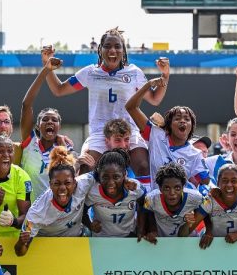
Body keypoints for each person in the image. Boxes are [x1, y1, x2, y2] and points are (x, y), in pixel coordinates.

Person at [42, 28, 171, 187]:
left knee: (144, 165)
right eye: (107, 46)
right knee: (86, 167)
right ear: (100, 49)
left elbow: (154, 99)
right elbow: (58, 90)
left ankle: (144, 208)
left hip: (129, 131)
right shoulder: (90, 72)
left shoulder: (134, 73)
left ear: (123, 50)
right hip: (100, 133)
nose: (112, 50)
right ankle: (83, 211)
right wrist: (47, 66)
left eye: (117, 46)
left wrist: (165, 75)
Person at [125, 77, 209, 190]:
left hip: (178, 205)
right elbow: (131, 107)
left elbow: (206, 183)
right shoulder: (155, 134)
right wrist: (147, 85)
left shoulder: (195, 154)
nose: (183, 121)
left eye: (187, 119)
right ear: (169, 125)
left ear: (192, 126)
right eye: (177, 118)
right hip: (152, 201)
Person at [15, 147, 97, 256]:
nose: (62, 188)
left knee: (88, 232)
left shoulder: (83, 183)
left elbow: (105, 173)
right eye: (57, 184)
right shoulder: (37, 212)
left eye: (67, 183)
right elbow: (19, 252)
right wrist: (22, 242)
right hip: (48, 247)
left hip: (76, 240)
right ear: (50, 185)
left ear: (75, 183)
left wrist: (125, 183)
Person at [20, 61, 73, 201]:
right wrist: (46, 70)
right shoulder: (29, 143)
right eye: (45, 119)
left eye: (54, 120)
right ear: (37, 126)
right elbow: (26, 105)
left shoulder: (65, 148)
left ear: (59, 127)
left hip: (56, 214)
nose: (50, 121)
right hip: (30, 213)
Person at [84, 149, 146, 238]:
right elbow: (82, 210)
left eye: (116, 177)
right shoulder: (93, 192)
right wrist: (90, 224)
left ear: (124, 175)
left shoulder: (135, 188)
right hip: (101, 239)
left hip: (129, 237)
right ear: (99, 176)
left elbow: (144, 204)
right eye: (105, 177)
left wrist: (140, 229)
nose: (111, 183)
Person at [139, 162, 203, 243]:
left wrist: (208, 231)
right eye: (167, 188)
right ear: (160, 188)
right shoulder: (152, 199)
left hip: (189, 242)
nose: (172, 193)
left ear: (183, 187)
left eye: (177, 188)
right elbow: (146, 211)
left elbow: (207, 210)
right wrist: (152, 230)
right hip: (162, 243)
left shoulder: (195, 198)